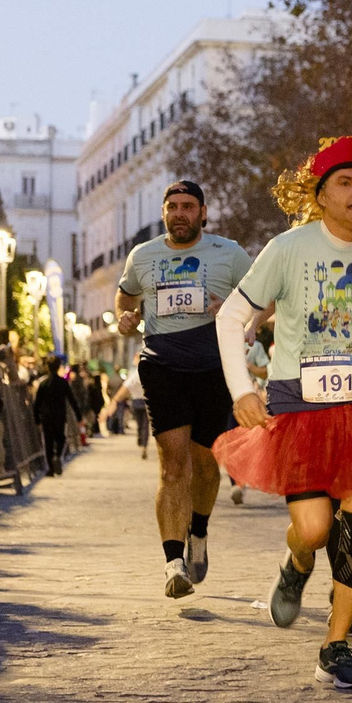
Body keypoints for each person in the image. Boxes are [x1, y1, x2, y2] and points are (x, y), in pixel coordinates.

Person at [211, 136, 352, 690]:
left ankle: (336, 644)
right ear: (319, 194)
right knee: (312, 528)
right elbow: (231, 317)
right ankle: (297, 564)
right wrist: (241, 390)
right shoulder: (288, 249)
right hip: (300, 405)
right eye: (345, 184)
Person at [114, 180, 253, 599]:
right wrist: (125, 318)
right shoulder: (144, 256)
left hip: (214, 368)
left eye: (188, 206)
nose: (179, 213)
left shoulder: (229, 254)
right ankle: (174, 564)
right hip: (162, 365)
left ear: (203, 212)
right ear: (163, 213)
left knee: (206, 466)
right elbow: (124, 300)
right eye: (172, 206)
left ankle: (200, 532)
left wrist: (232, 311)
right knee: (173, 466)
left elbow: (263, 301)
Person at [32, 356, 80, 476]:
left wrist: (36, 419)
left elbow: (37, 403)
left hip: (46, 417)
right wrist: (79, 416)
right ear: (59, 366)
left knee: (48, 442)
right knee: (61, 438)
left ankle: (50, 468)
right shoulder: (63, 383)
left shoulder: (43, 384)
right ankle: (58, 455)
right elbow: (72, 400)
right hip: (59, 415)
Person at [100, 368, 150, 458]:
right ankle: (144, 444)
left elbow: (127, 386)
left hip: (136, 401)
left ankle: (141, 440)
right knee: (145, 424)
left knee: (140, 423)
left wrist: (114, 401)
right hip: (146, 401)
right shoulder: (146, 371)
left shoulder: (136, 373)